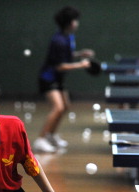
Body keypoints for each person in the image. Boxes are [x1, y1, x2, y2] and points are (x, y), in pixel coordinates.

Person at [34, 6, 94, 153]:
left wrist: (80, 54)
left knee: (65, 106)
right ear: (70, 23)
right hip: (48, 78)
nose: (77, 23)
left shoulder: (68, 36)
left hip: (58, 79)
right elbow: (60, 66)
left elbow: (66, 55)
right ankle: (40, 140)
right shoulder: (58, 40)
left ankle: (51, 135)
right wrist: (81, 64)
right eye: (75, 20)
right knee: (58, 107)